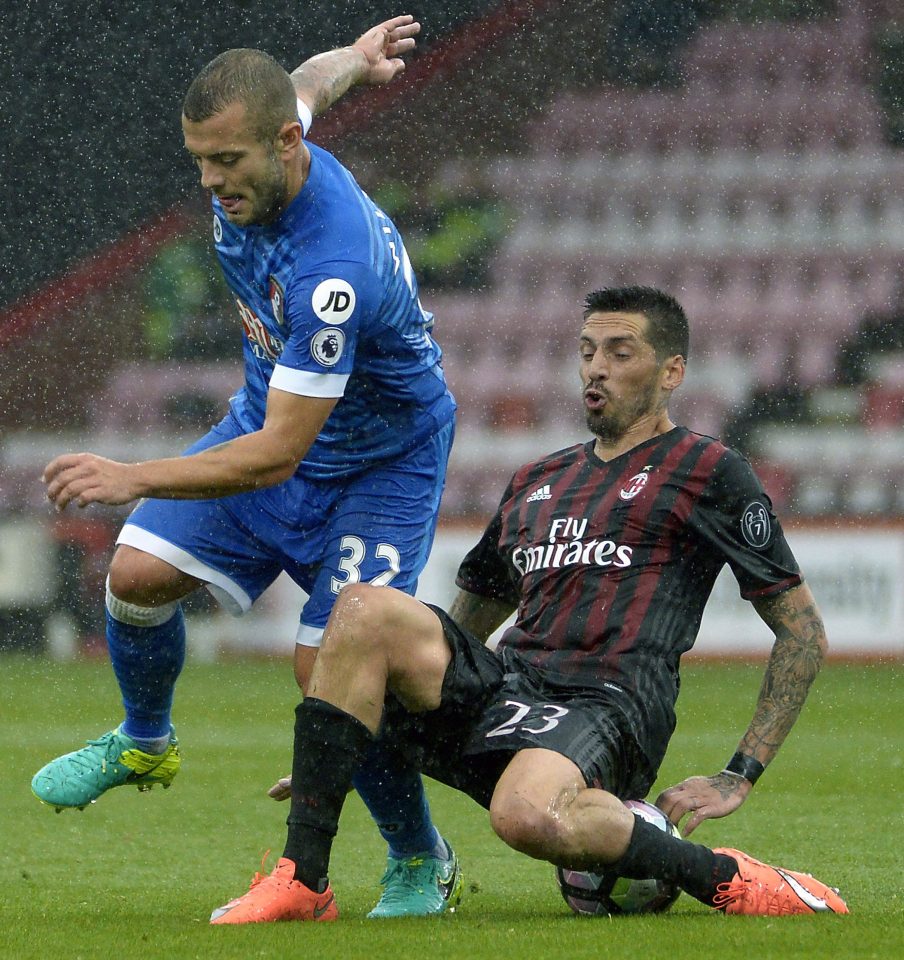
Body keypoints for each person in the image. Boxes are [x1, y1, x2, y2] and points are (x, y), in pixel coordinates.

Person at [210, 286, 849, 923]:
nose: (596, 367)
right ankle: (304, 882)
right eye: (588, 351)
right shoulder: (539, 479)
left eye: (620, 353)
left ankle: (728, 878)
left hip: (608, 703)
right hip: (509, 690)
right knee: (360, 608)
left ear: (671, 372)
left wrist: (738, 775)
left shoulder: (707, 469)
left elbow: (802, 633)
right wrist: (343, 745)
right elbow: (465, 630)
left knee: (522, 815)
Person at [31, 16, 463, 919]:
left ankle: (420, 857)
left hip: (374, 468)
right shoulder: (271, 139)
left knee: (335, 673)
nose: (211, 182)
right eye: (199, 161)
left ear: (286, 145)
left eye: (227, 161)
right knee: (138, 577)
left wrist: (134, 476)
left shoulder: (329, 269)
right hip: (276, 419)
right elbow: (309, 76)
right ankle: (145, 740)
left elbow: (276, 455)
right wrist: (358, 58)